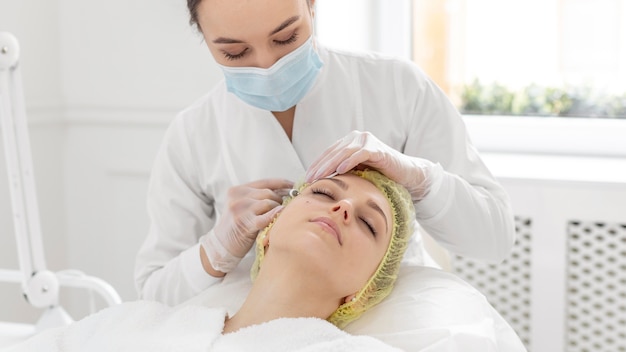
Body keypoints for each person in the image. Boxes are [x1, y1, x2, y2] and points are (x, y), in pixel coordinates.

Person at [134, 0, 516, 305]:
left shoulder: (397, 86)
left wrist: (419, 178)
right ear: (204, 36)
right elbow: (153, 293)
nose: (268, 66)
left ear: (312, 6)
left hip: (395, 315)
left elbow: (493, 239)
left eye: (286, 38)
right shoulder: (193, 134)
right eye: (235, 53)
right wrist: (216, 250)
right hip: (260, 326)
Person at [9, 171, 412, 352]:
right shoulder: (132, 321)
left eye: (368, 223)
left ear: (362, 292)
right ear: (269, 228)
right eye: (324, 193)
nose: (342, 207)